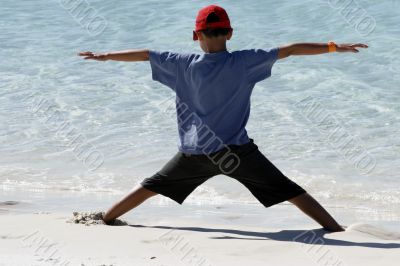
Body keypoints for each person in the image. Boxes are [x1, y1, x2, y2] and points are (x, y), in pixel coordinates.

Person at [79, 5, 368, 232]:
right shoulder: (245, 61)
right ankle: (336, 229)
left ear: (196, 35)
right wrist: (333, 47)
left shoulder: (181, 64)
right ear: (230, 33)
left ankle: (105, 218)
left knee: (150, 187)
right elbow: (291, 49)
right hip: (237, 153)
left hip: (195, 153)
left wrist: (105, 56)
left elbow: (145, 55)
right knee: (290, 191)